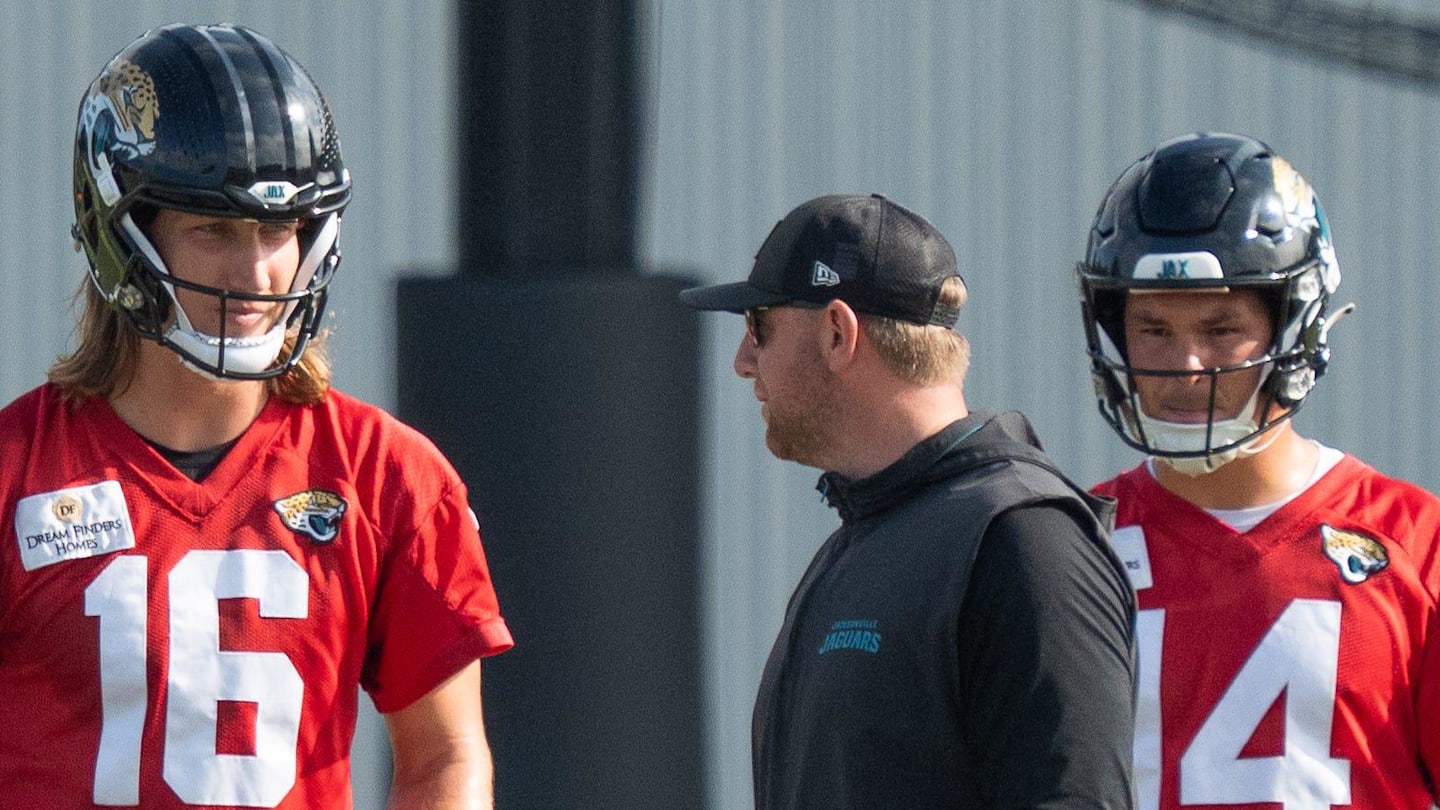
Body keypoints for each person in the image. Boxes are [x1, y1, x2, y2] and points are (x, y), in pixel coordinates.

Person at [0, 24, 513, 808]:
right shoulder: (14, 474)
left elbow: (446, 758)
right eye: (214, 229)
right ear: (121, 236)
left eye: (279, 228)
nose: (257, 270)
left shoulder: (389, 478)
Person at [680, 193, 1138, 808]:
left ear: (838, 333)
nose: (742, 362)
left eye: (759, 326)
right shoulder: (865, 536)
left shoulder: (1023, 539)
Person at [1078, 131, 1440, 808]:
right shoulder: (1070, 548)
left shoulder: (1417, 544)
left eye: (1220, 330)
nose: (1185, 367)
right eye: (1154, 329)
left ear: (1294, 328)